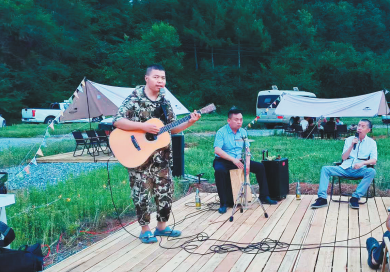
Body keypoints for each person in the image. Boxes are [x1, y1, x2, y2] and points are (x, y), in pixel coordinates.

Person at [113, 64, 201, 244]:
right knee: (141, 195)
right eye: (156, 77)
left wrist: (190, 122)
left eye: (163, 78)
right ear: (147, 78)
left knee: (165, 192)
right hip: (139, 159)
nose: (160, 80)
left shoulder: (165, 102)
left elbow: (172, 129)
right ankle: (145, 230)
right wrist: (143, 127)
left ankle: (162, 227)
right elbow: (117, 121)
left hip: (162, 159)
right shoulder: (135, 99)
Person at [213, 108, 278, 214]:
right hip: (224, 160)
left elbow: (247, 149)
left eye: (241, 119)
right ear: (229, 120)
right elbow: (217, 150)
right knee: (219, 171)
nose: (239, 122)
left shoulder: (243, 132)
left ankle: (264, 196)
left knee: (260, 167)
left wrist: (247, 163)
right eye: (236, 119)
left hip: (240, 160)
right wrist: (233, 159)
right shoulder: (221, 132)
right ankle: (223, 203)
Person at [310, 119, 377, 209]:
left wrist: (362, 163)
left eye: (363, 126)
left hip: (359, 169)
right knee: (325, 169)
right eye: (359, 125)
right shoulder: (349, 140)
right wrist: (351, 145)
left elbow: (374, 160)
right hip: (345, 168)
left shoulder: (372, 143)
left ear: (368, 130)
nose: (359, 128)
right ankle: (322, 198)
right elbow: (344, 158)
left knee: (371, 171)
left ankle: (355, 197)